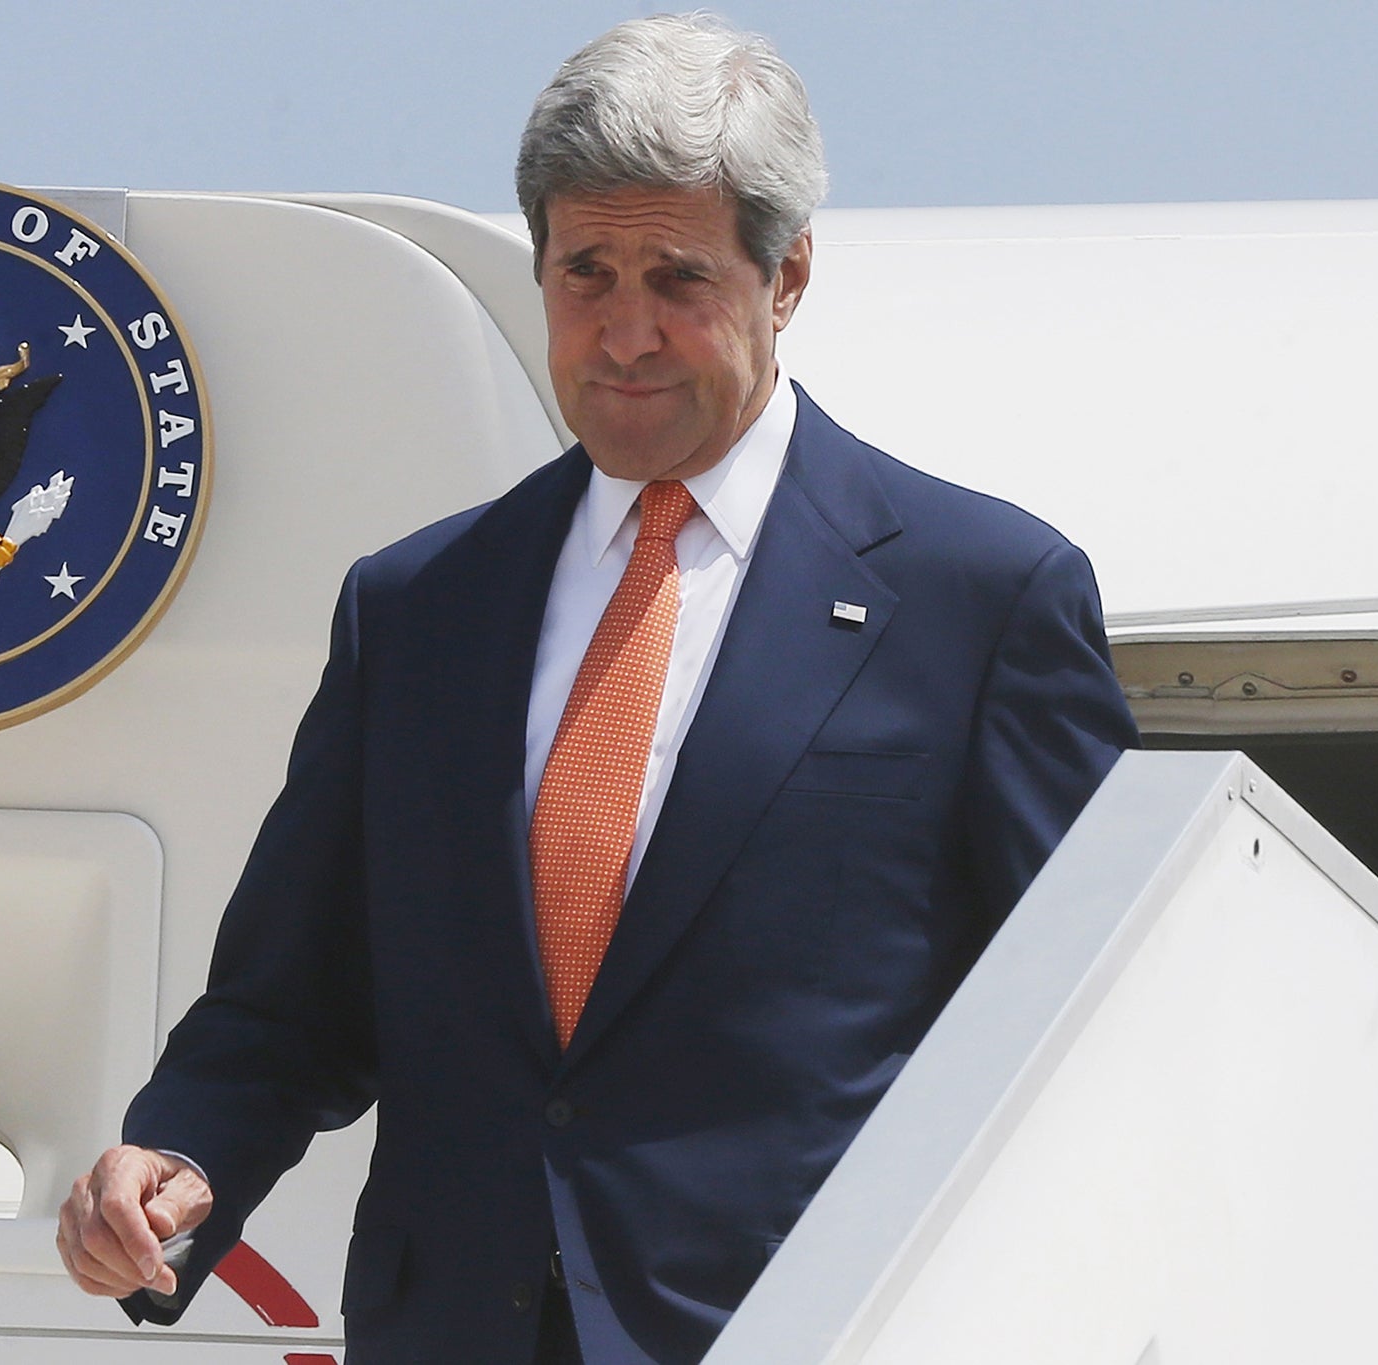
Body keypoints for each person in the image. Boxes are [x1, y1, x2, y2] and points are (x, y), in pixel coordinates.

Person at [57, 13, 1138, 1363]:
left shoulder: (984, 600)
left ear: (787, 272)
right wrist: (179, 1156)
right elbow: (289, 1001)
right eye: (586, 273)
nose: (625, 331)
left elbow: (1094, 1023)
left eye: (677, 277)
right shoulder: (417, 609)